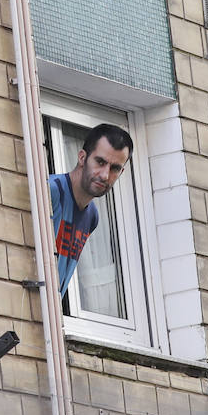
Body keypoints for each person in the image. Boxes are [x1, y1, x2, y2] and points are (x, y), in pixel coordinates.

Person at [48, 123, 133, 297]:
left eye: (115, 168)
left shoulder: (92, 217)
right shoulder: (50, 190)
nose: (104, 175)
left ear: (121, 172)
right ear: (82, 157)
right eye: (100, 162)